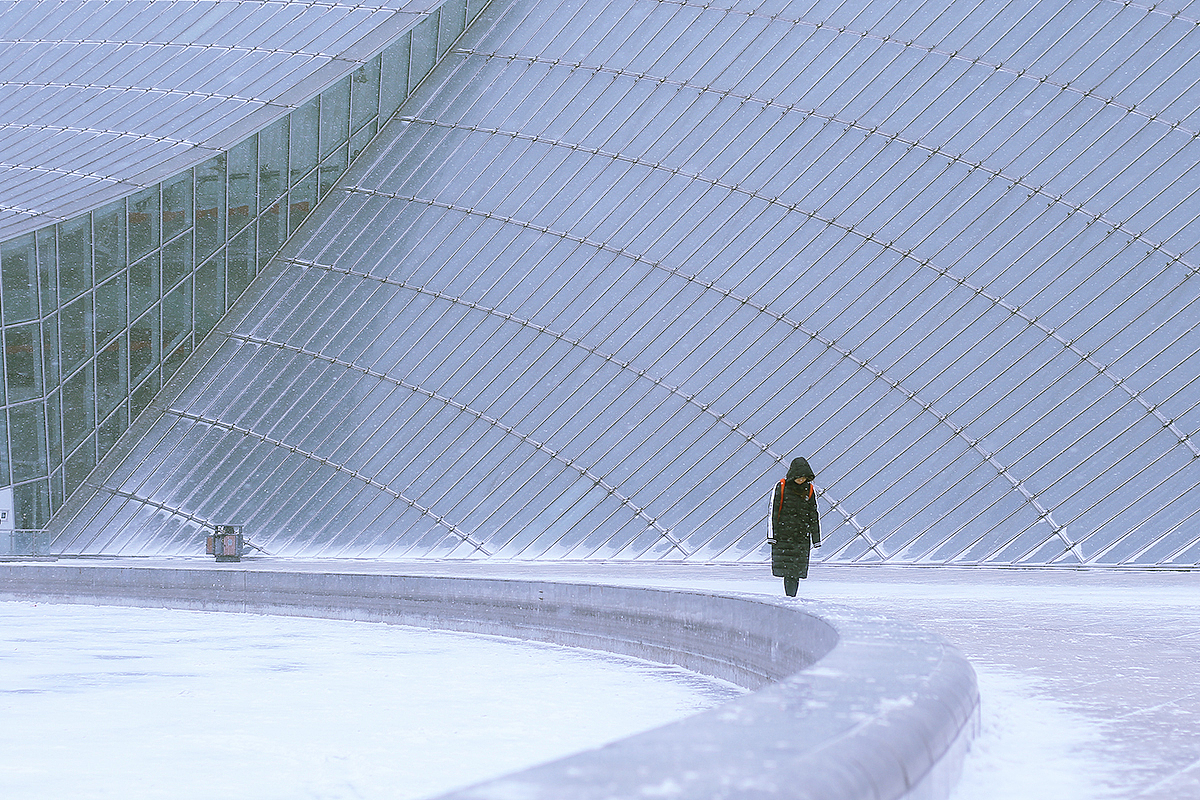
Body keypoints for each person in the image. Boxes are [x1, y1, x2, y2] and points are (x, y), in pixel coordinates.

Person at [768, 456, 821, 597]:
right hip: (784, 536)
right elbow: (773, 511)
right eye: (798, 477)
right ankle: (790, 597)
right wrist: (772, 536)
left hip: (801, 537)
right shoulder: (782, 486)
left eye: (804, 477)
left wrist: (816, 538)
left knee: (795, 571)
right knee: (788, 571)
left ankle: (791, 597)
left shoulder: (809, 489)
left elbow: (813, 514)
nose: (801, 480)